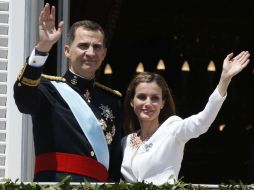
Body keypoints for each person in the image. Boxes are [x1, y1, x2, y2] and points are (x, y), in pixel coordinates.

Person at [13, 3, 122, 182]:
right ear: (67, 51)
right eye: (83, 45)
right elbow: (23, 99)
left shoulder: (112, 100)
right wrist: (43, 47)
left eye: (97, 47)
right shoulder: (47, 89)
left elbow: (115, 162)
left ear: (104, 54)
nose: (90, 52)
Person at [121, 51, 250, 185]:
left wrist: (224, 80)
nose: (148, 103)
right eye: (141, 97)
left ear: (163, 103)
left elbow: (202, 121)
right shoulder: (126, 141)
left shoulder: (173, 129)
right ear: (131, 101)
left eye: (155, 98)